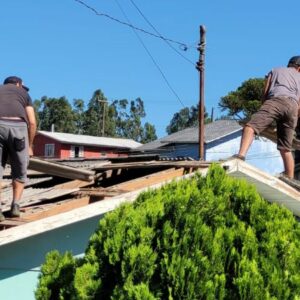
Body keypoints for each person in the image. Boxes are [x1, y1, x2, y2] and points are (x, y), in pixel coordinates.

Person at [234, 56, 300, 179]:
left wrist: (265, 111)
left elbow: (265, 93)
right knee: (286, 148)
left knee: (250, 127)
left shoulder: (275, 70)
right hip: (293, 108)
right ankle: (291, 181)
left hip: (277, 100)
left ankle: (240, 156)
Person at [0, 76, 37, 221]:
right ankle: (15, 206)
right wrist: (29, 147)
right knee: (20, 169)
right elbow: (32, 123)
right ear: (18, 84)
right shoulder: (24, 94)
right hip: (18, 129)